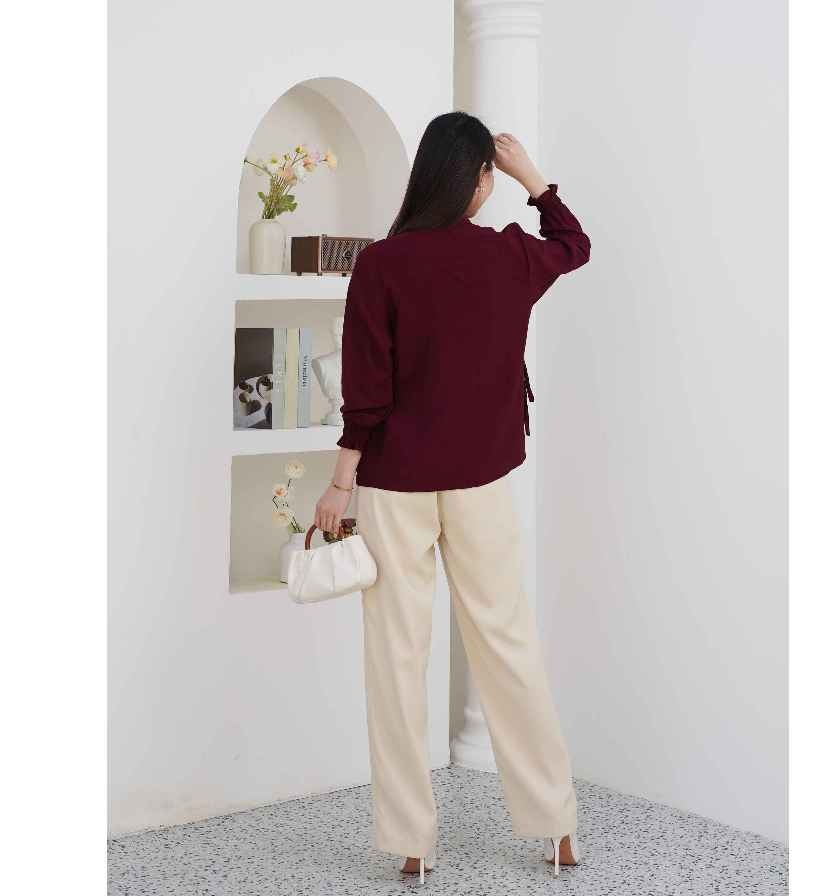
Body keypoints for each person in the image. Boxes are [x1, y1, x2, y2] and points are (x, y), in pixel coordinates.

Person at [314, 111, 590, 882]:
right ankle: (556, 825)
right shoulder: (509, 255)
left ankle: (412, 840)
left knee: (396, 656)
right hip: (481, 478)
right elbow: (575, 244)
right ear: (479, 180)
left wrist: (339, 483)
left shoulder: (382, 265)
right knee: (507, 642)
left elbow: (366, 391)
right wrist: (536, 181)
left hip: (394, 483)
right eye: (490, 175)